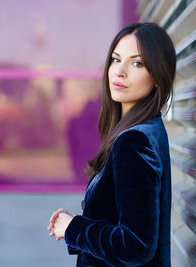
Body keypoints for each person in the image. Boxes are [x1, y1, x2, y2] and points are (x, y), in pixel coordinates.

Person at [47, 22, 176, 266]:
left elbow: (136, 245)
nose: (120, 71)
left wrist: (74, 228)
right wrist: (76, 225)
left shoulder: (134, 141)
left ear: (158, 77)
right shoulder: (148, 129)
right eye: (116, 60)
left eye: (137, 63)